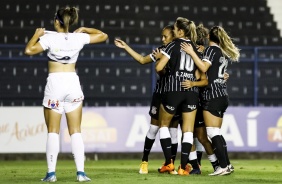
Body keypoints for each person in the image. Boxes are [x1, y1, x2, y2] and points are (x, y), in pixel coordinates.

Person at [24, 7, 108, 182]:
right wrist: (85, 29)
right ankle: (81, 173)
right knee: (76, 131)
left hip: (55, 83)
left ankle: (51, 174)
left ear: (56, 21)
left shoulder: (48, 38)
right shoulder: (78, 38)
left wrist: (36, 35)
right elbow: (103, 35)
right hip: (72, 83)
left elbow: (29, 50)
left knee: (53, 132)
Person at [114, 25, 179, 175]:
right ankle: (144, 161)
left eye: (165, 36)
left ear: (174, 37)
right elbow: (143, 60)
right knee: (154, 128)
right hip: (160, 95)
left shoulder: (179, 52)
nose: (162, 39)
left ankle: (170, 164)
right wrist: (126, 47)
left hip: (175, 95)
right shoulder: (161, 51)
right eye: (162, 36)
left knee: (174, 131)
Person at [181, 25, 240, 176]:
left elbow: (203, 67)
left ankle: (224, 166)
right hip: (222, 94)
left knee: (213, 132)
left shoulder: (211, 50)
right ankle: (227, 164)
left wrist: (192, 52)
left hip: (212, 95)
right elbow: (218, 74)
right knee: (217, 133)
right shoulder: (222, 53)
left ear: (208, 37)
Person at [155, 17, 201, 176]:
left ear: (180, 31)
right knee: (188, 131)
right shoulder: (195, 47)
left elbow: (159, 67)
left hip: (173, 89)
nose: (173, 31)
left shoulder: (172, 45)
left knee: (164, 125)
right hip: (191, 91)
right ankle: (183, 167)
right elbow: (198, 72)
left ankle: (169, 163)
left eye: (174, 29)